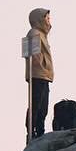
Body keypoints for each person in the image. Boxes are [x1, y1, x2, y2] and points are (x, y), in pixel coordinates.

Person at [22, 8, 54, 141]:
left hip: (44, 75)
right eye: (46, 18)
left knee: (43, 106)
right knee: (36, 104)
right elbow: (32, 56)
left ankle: (39, 130)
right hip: (37, 74)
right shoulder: (34, 33)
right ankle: (33, 130)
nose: (48, 21)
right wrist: (42, 64)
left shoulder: (42, 35)